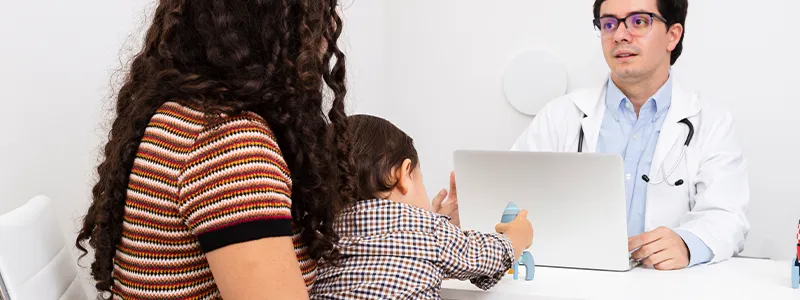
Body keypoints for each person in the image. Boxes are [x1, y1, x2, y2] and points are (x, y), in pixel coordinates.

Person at [74, 1, 356, 299]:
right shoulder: (230, 146)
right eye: (318, 11)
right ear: (273, 25)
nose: (332, 24)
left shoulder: (184, 115)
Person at [509, 0, 749, 270]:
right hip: (571, 280)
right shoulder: (561, 116)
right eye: (609, 23)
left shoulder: (711, 122)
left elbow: (728, 216)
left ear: (673, 35)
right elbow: (512, 200)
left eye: (639, 21)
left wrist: (687, 244)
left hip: (663, 288)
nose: (620, 35)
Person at [309, 115, 533, 299]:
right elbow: (486, 257)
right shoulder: (431, 232)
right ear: (404, 174)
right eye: (421, 180)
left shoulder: (321, 236)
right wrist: (515, 240)